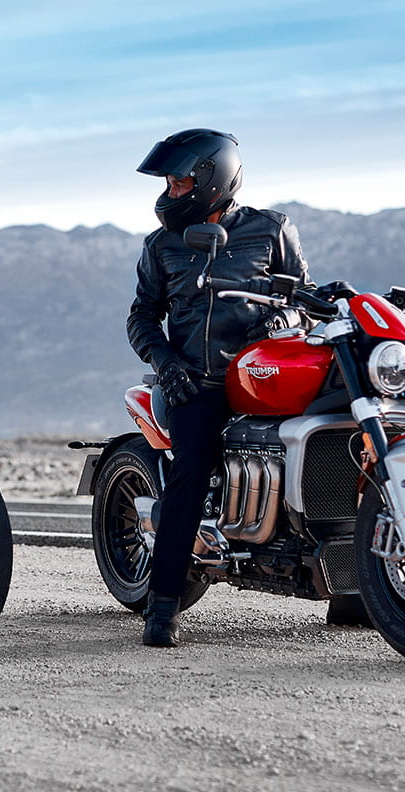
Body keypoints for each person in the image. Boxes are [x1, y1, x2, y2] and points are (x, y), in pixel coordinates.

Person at [126, 129, 310, 647]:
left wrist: (287, 321)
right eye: (169, 181)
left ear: (212, 179)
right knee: (188, 476)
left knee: (331, 446)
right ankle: (162, 608)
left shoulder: (270, 229)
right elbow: (141, 316)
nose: (170, 191)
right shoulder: (161, 245)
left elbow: (302, 294)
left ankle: (352, 591)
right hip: (198, 380)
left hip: (262, 374)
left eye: (180, 181)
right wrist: (165, 364)